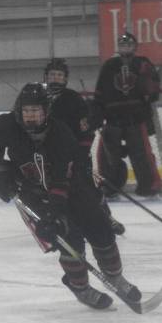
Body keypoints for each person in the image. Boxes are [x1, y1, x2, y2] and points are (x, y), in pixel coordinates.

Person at [0, 82, 139, 310]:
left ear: (45, 111)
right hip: (31, 193)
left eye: (35, 111)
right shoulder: (6, 125)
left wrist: (54, 213)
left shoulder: (61, 134)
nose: (30, 116)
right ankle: (80, 287)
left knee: (100, 227)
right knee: (68, 240)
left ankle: (115, 276)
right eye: (26, 111)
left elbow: (60, 179)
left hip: (70, 188)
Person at [43, 57, 125, 236]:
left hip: (75, 154)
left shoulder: (73, 99)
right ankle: (61, 222)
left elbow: (85, 131)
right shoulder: (38, 98)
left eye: (59, 75)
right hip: (49, 157)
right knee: (54, 191)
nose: (55, 78)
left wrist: (81, 153)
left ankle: (106, 218)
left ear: (65, 79)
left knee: (88, 188)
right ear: (46, 77)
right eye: (52, 75)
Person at [92, 32, 162, 197]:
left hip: (136, 118)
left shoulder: (142, 63)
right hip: (112, 118)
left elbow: (154, 87)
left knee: (142, 154)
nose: (125, 48)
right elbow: (100, 92)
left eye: (129, 45)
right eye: (122, 45)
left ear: (135, 47)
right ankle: (109, 186)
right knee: (107, 155)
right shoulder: (109, 65)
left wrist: (150, 90)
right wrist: (97, 112)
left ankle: (149, 186)